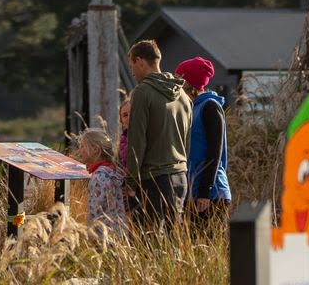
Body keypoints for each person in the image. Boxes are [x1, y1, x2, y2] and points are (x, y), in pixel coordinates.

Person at [122, 38, 191, 225]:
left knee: (149, 241)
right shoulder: (183, 95)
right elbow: (187, 140)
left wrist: (130, 181)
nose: (132, 72)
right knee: (171, 239)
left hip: (154, 178)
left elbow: (137, 140)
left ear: (140, 62)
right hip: (180, 176)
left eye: (131, 66)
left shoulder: (142, 92)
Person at [175, 56, 230, 219]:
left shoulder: (210, 107)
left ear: (189, 85)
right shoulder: (191, 108)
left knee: (207, 243)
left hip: (211, 193)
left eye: (180, 81)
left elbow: (215, 150)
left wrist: (205, 190)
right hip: (194, 190)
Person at [74, 127, 127, 234]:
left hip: (104, 234)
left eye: (82, 146)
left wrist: (90, 233)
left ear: (95, 149)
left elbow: (95, 212)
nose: (79, 151)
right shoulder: (110, 171)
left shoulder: (99, 176)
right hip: (118, 231)